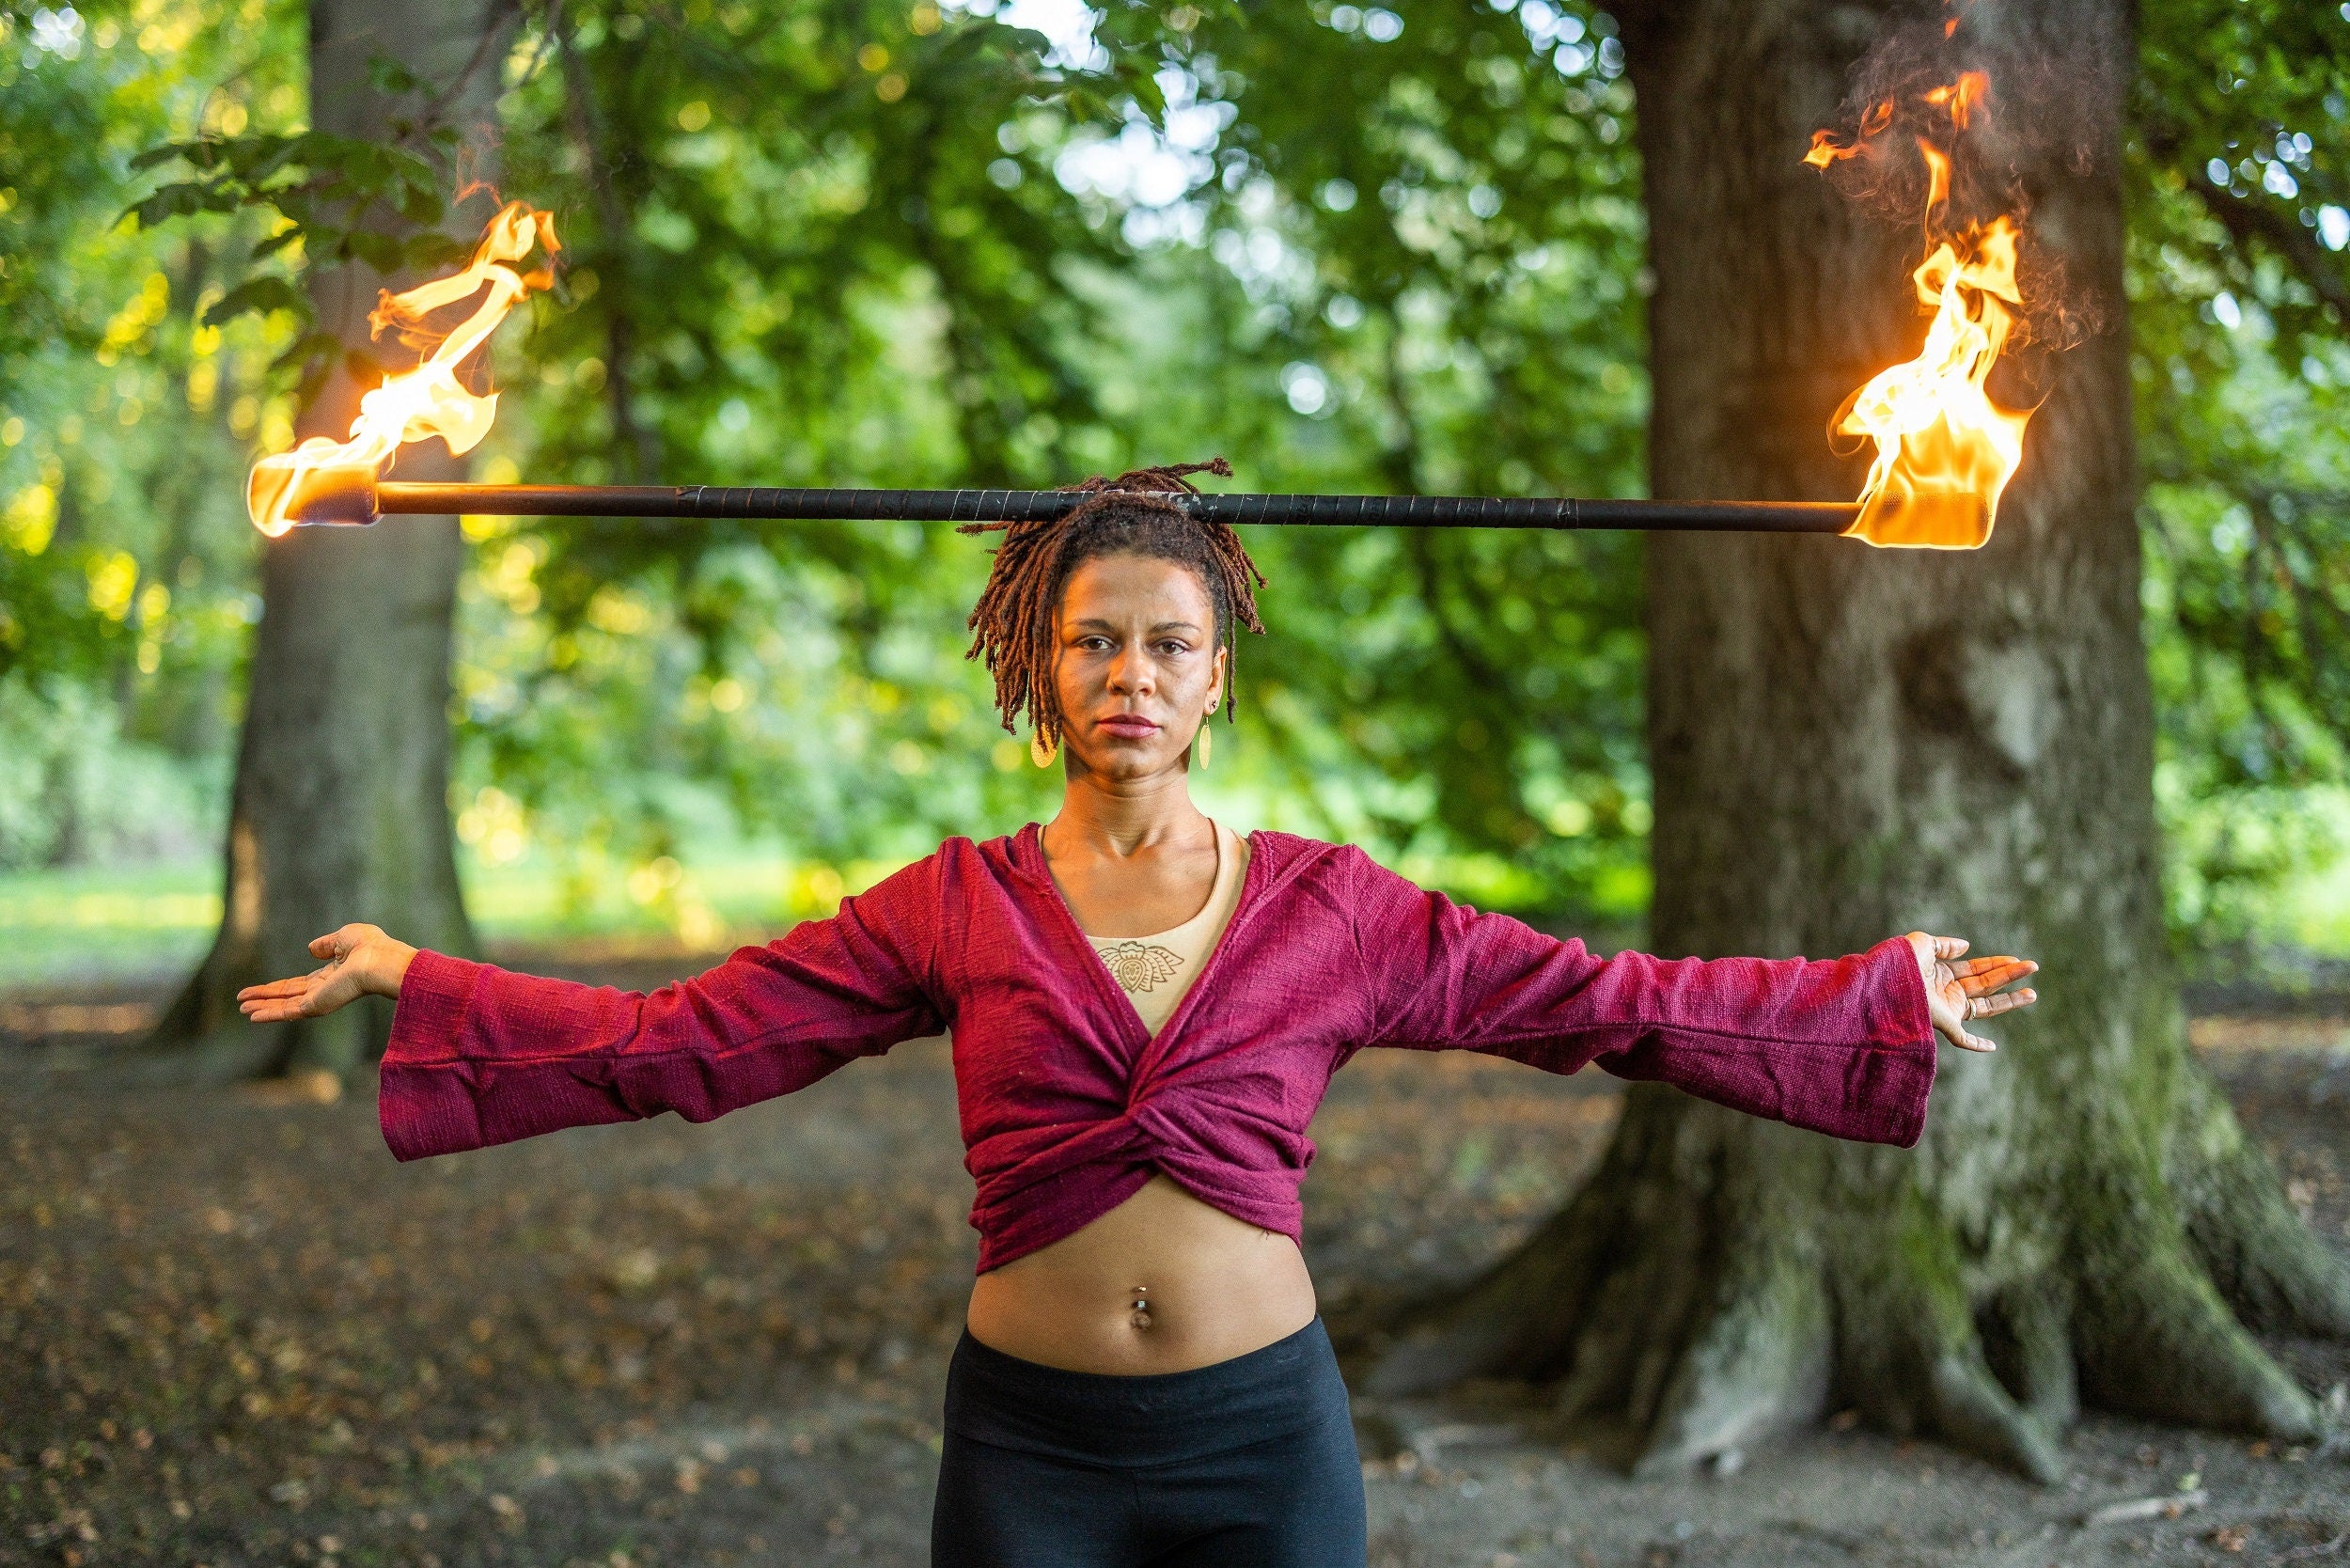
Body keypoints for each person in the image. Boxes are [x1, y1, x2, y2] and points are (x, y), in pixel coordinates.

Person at [239, 461, 2039, 1568]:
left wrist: (1875, 992)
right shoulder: (951, 905)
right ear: (1039, 665)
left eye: (1167, 645)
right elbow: (684, 1047)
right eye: (1095, 640)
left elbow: (1615, 1007)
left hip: (1269, 1444)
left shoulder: (1341, 912)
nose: (1130, 675)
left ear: (1216, 676)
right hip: (1031, 1457)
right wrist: (423, 978)